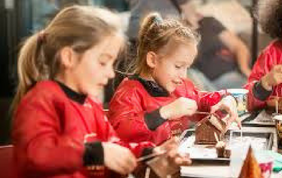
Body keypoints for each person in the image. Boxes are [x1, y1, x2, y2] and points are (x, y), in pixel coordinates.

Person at [11, 6, 189, 178]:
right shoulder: (41, 100)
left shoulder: (91, 104)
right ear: (69, 57)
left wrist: (150, 153)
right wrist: (96, 152)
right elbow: (37, 154)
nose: (111, 73)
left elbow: (113, 146)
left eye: (112, 64)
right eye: (103, 62)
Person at [108, 13, 241, 145]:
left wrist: (225, 98)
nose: (183, 75)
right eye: (178, 66)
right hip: (145, 164)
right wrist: (165, 112)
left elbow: (203, 101)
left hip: (177, 161)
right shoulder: (129, 93)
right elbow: (120, 131)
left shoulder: (182, 87)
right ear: (152, 60)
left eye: (186, 67)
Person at [179, 0, 251, 90]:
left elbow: (239, 46)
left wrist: (244, 68)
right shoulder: (179, 34)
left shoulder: (209, 22)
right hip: (200, 81)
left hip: (228, 75)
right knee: (191, 75)